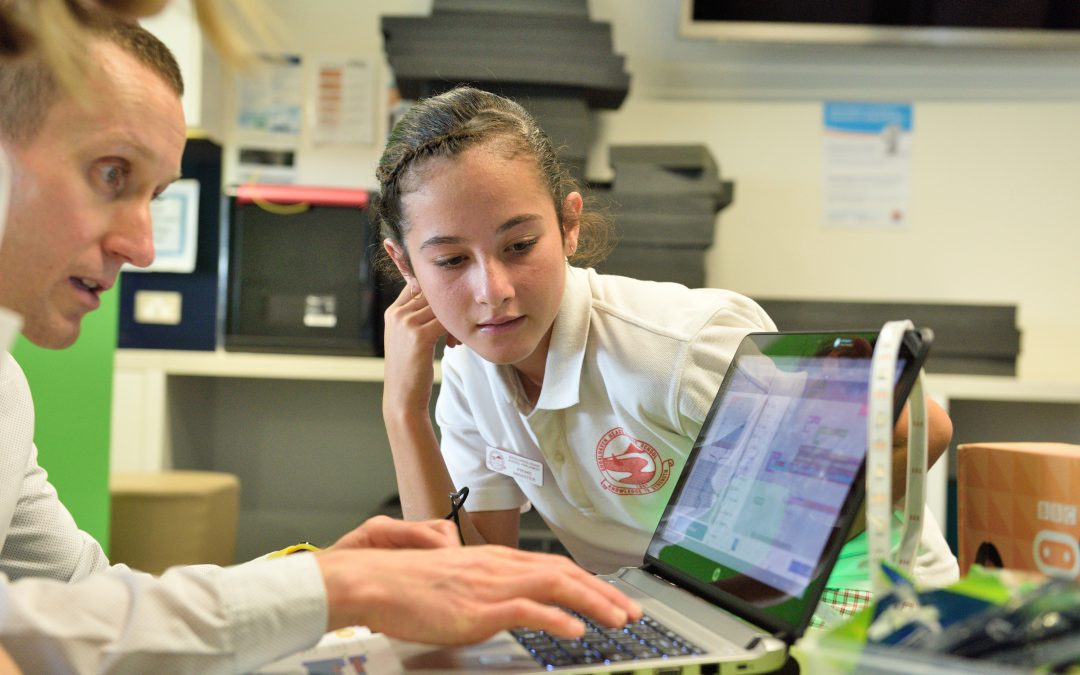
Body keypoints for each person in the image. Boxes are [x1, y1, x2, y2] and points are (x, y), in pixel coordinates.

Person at [0, 11, 640, 674]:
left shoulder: (6, 390)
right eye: (111, 174)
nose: (142, 246)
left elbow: (81, 599)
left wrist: (324, 578)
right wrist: (333, 588)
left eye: (154, 195)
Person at [375, 86, 959, 614]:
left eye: (521, 245)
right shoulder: (472, 375)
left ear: (569, 226)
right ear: (405, 265)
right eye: (451, 260)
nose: (493, 292)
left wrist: (731, 583)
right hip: (674, 615)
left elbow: (920, 427)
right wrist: (403, 412)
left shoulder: (678, 346)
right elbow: (465, 581)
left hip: (849, 603)